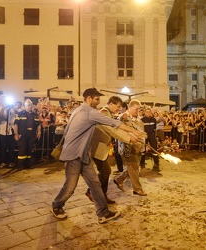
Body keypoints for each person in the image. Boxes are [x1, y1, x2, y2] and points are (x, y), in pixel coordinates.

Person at [50, 88, 143, 223]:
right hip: (74, 154)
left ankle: (103, 213)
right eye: (97, 99)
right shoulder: (89, 112)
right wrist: (133, 133)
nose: (99, 102)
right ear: (89, 99)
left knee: (95, 184)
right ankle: (57, 205)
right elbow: (113, 124)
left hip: (83, 154)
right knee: (70, 187)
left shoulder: (78, 110)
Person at [85, 96, 134, 204]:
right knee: (106, 171)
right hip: (97, 147)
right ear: (111, 104)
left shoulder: (108, 113)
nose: (119, 109)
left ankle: (102, 196)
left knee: (105, 172)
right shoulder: (104, 112)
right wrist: (129, 138)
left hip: (102, 147)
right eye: (117, 106)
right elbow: (112, 130)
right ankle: (91, 191)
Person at [113, 99, 148, 196]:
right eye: (136, 109)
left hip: (139, 146)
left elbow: (141, 131)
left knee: (132, 167)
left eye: (139, 109)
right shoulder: (123, 117)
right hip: (128, 147)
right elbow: (119, 131)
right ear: (130, 107)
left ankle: (118, 179)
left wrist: (143, 136)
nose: (137, 111)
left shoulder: (138, 120)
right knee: (134, 168)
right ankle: (137, 189)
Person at [13, 99, 42, 169]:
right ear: (25, 106)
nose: (30, 107)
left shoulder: (35, 115)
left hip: (31, 134)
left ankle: (28, 165)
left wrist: (39, 132)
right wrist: (16, 134)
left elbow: (38, 124)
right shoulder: (20, 114)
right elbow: (16, 124)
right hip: (22, 134)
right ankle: (20, 165)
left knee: (29, 150)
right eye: (28, 105)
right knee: (22, 150)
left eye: (31, 105)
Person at [0, 95, 18, 168]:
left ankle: (11, 161)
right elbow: (0, 118)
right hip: (2, 131)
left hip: (10, 130)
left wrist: (12, 107)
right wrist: (3, 109)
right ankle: (3, 161)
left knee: (11, 147)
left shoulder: (11, 109)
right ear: (0, 101)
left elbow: (15, 115)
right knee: (3, 147)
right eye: (3, 100)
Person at [140, 107, 160, 172]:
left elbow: (154, 128)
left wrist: (155, 136)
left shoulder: (153, 120)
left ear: (151, 113)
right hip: (144, 135)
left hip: (151, 135)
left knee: (154, 148)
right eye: (147, 112)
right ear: (145, 113)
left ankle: (156, 162)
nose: (148, 113)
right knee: (143, 149)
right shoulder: (142, 120)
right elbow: (141, 128)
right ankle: (142, 162)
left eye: (149, 112)